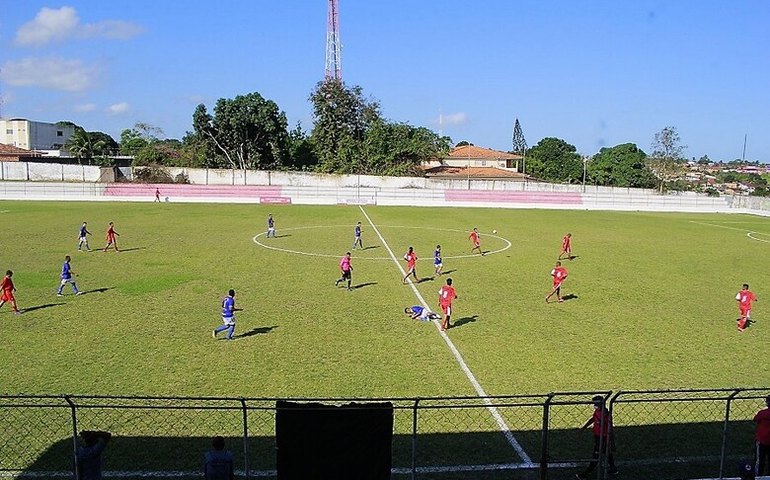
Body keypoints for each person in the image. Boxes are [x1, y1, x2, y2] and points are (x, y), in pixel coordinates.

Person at [576, 395, 618, 479]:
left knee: (596, 456)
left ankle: (586, 473)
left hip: (602, 438)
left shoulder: (606, 415)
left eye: (595, 403)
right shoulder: (598, 411)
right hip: (597, 437)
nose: (594, 405)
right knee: (607, 453)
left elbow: (611, 429)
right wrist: (583, 428)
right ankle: (613, 469)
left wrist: (612, 443)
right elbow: (593, 418)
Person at [754, 395, 770, 476]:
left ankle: (758, 476)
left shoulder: (762, 413)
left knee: (760, 460)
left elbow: (756, 419)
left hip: (762, 440)